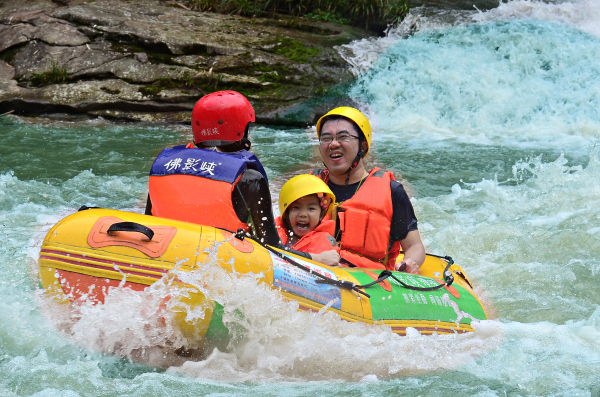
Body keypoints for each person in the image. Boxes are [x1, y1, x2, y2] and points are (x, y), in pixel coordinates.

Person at [145, 90, 281, 246]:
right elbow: (272, 247)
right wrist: (312, 258)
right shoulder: (250, 179)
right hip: (224, 259)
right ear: (241, 130)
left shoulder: (165, 167)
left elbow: (148, 223)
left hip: (164, 250)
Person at [311, 107, 426, 274]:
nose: (333, 144)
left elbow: (414, 246)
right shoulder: (307, 186)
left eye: (343, 137)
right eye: (326, 138)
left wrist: (408, 263)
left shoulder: (392, 191)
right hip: (312, 273)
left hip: (370, 283)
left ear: (362, 145)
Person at [275, 174, 340, 265]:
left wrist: (320, 260)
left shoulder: (325, 241)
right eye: (296, 208)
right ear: (286, 213)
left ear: (321, 215)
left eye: (311, 209)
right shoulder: (274, 232)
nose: (303, 214)